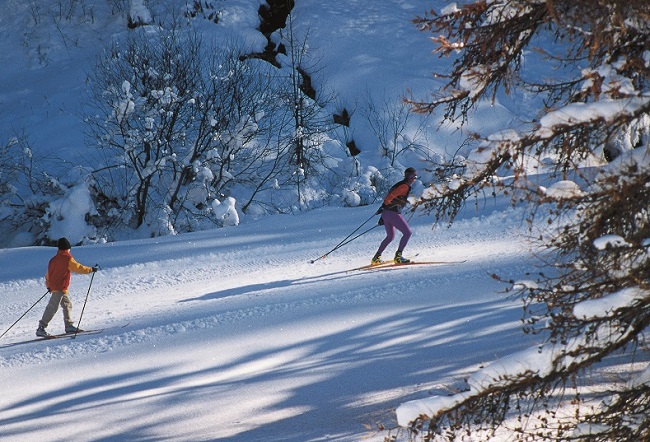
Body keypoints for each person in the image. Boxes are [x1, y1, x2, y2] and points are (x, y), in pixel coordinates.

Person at [36, 237, 98, 337]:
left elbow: (48, 275)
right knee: (52, 308)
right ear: (67, 248)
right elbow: (78, 268)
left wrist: (49, 285)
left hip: (56, 287)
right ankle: (41, 328)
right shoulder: (67, 258)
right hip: (60, 287)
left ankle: (69, 325)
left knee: (67, 304)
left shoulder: (53, 260)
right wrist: (90, 269)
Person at [371, 167, 417, 265]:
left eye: (415, 176)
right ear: (407, 176)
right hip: (393, 213)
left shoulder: (399, 184)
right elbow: (389, 197)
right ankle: (398, 257)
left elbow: (390, 196)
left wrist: (383, 211)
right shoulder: (404, 186)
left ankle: (376, 258)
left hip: (387, 213)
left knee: (390, 237)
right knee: (407, 233)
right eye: (412, 176)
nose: (413, 178)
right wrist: (386, 205)